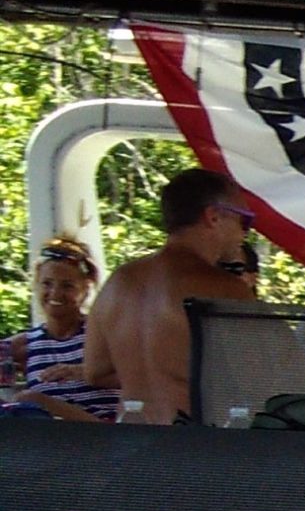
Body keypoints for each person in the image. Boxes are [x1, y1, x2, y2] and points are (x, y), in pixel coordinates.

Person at [81, 168, 259, 424]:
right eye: (244, 220)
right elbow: (264, 377)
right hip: (195, 438)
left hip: (130, 436)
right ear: (213, 217)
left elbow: (95, 372)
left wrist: (151, 376)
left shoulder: (117, 282)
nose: (245, 233)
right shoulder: (224, 289)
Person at [2, 236, 116, 422]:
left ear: (86, 290)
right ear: (36, 285)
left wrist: (86, 372)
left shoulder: (103, 332)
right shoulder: (26, 344)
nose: (55, 293)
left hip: (106, 431)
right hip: (49, 437)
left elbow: (144, 378)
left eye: (67, 286)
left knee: (28, 399)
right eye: (47, 283)